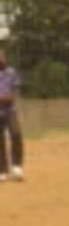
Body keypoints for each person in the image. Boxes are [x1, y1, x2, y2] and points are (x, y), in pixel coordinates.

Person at [0, 51, 24, 182]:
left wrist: (7, 98)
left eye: (1, 57)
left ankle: (17, 167)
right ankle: (2, 170)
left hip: (10, 111)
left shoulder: (11, 73)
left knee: (16, 134)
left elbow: (14, 93)